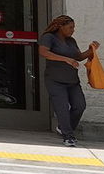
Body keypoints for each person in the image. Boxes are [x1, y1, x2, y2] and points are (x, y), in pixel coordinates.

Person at [38, 14, 100, 147]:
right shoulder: (49, 38)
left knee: (80, 106)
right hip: (55, 80)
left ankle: (64, 127)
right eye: (70, 27)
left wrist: (91, 50)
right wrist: (65, 59)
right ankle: (68, 136)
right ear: (60, 26)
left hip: (72, 81)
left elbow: (79, 57)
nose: (73, 30)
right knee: (62, 108)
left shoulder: (71, 41)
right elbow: (44, 52)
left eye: (74, 28)